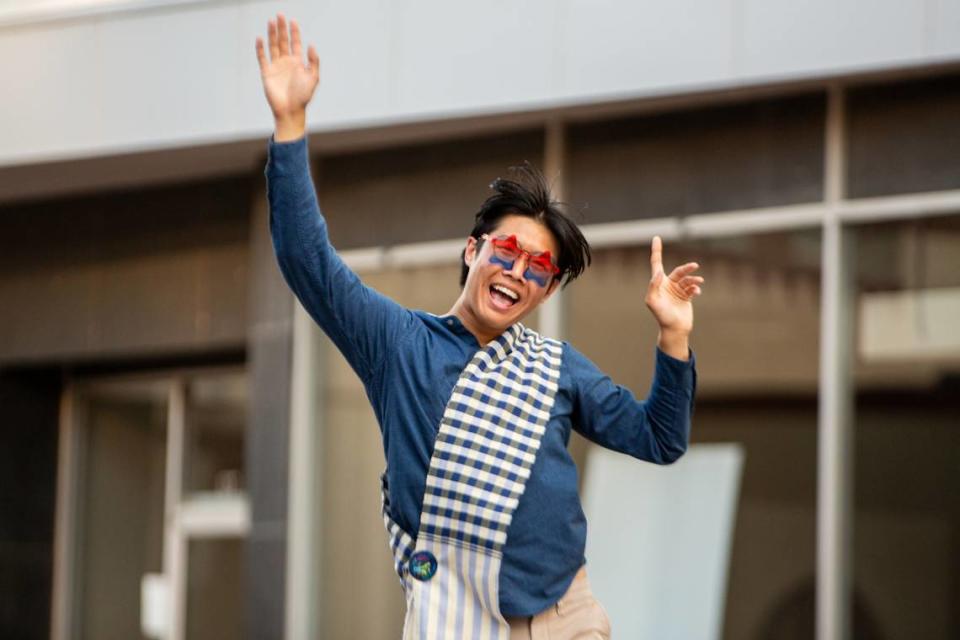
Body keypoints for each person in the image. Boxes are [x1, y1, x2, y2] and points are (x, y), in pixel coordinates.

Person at [256, 14, 702, 640]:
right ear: (472, 250)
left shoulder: (557, 367)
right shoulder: (400, 345)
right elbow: (306, 258)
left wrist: (673, 337)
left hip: (562, 619)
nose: (518, 272)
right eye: (506, 251)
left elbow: (661, 438)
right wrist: (290, 127)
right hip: (454, 621)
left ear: (546, 290)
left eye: (539, 268)